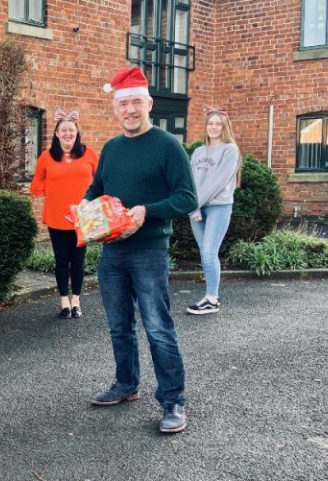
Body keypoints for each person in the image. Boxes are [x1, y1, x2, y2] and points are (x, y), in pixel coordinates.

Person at [83, 67, 197, 433]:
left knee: (158, 327)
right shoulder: (113, 148)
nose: (129, 109)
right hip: (112, 253)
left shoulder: (167, 145)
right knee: (119, 326)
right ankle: (126, 384)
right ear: (115, 108)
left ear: (148, 103)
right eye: (122, 103)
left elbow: (187, 197)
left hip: (149, 251)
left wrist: (148, 211)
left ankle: (173, 400)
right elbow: (97, 188)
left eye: (135, 102)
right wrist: (84, 209)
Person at [30, 110, 99, 319]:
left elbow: (100, 180)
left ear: (77, 132)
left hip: (82, 218)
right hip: (56, 217)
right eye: (63, 130)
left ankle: (76, 301)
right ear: (57, 134)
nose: (67, 134)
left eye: (71, 130)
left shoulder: (89, 154)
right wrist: (53, 193)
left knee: (78, 260)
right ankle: (64, 303)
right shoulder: (47, 156)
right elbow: (36, 183)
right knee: (61, 260)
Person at [187, 106, 240, 315]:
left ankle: (211, 298)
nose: (214, 127)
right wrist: (193, 207)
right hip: (196, 209)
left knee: (209, 252)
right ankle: (211, 296)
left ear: (225, 126)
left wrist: (195, 205)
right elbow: (191, 181)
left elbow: (219, 182)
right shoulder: (199, 151)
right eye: (211, 123)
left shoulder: (230, 149)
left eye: (218, 123)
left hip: (218, 207)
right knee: (205, 253)